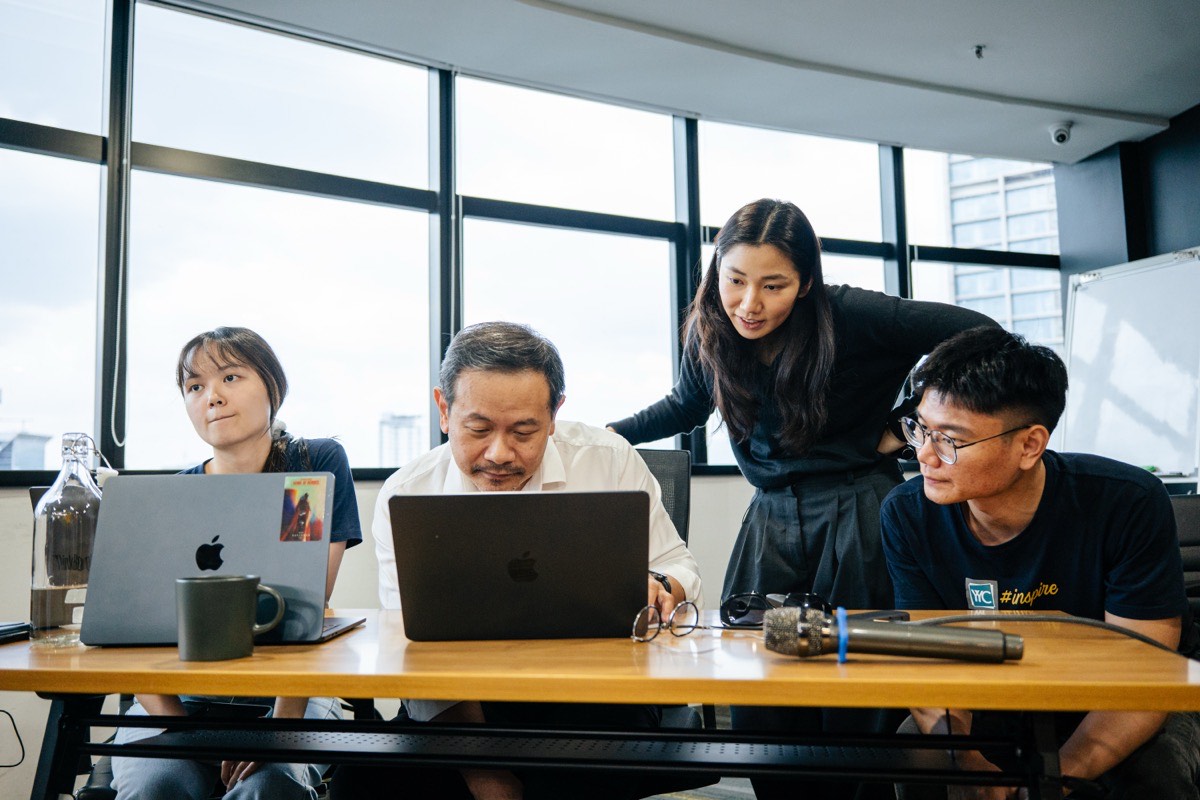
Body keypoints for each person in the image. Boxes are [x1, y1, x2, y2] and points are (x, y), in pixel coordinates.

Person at [608, 197, 997, 799]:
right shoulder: (712, 327)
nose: (749, 304)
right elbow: (685, 405)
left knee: (854, 688)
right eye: (734, 281)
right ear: (717, 272)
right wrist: (600, 436)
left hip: (858, 509)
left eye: (773, 285)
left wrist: (909, 422)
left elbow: (980, 336)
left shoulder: (851, 314)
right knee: (762, 680)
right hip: (768, 517)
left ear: (806, 281)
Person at [334, 320, 702, 800]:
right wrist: (484, 773)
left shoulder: (607, 460)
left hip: (594, 694)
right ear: (444, 410)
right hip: (461, 701)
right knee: (357, 782)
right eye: (479, 429)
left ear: (554, 415)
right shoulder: (408, 493)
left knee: (575, 775)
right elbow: (416, 650)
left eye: (525, 431)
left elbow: (680, 566)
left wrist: (661, 586)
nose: (499, 453)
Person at [881, 325, 1200, 799]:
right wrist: (969, 764)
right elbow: (929, 666)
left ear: (1029, 445)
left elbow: (1144, 680)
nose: (924, 455)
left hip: (1116, 694)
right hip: (992, 693)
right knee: (914, 751)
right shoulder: (908, 514)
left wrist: (1059, 779)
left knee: (1153, 770)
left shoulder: (1126, 502)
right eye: (920, 429)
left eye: (950, 439)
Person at [111, 326, 363, 800]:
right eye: (195, 386)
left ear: (272, 386)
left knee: (268, 786)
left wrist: (279, 728)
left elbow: (307, 610)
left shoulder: (309, 469)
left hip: (291, 696)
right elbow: (129, 630)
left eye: (230, 377)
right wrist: (182, 733)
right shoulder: (171, 498)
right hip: (179, 696)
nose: (212, 397)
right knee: (159, 784)